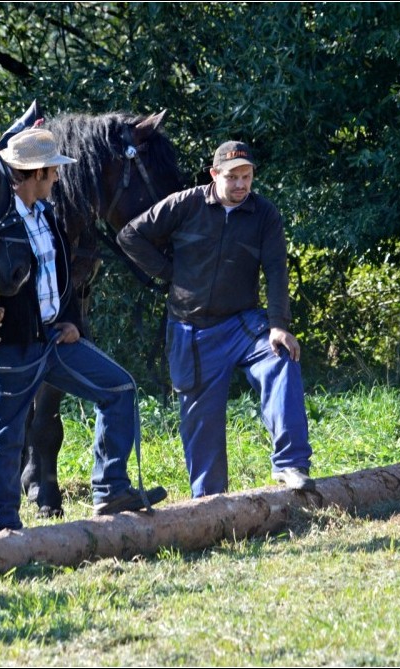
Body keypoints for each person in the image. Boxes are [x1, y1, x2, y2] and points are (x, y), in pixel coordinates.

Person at [0, 128, 167, 533]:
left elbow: (63, 275)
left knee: (119, 389)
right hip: (9, 348)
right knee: (5, 434)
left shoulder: (48, 214)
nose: (57, 179)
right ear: (36, 173)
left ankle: (110, 490)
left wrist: (71, 319)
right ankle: (2, 527)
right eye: (53, 173)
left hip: (53, 340)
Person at [117, 141, 314, 497]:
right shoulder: (185, 203)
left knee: (281, 359)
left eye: (247, 176)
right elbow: (130, 235)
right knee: (200, 421)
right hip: (191, 329)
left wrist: (279, 325)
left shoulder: (264, 214)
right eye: (233, 177)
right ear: (214, 174)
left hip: (243, 324)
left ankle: (290, 464)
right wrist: (169, 272)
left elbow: (276, 271)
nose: (241, 184)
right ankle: (209, 505)